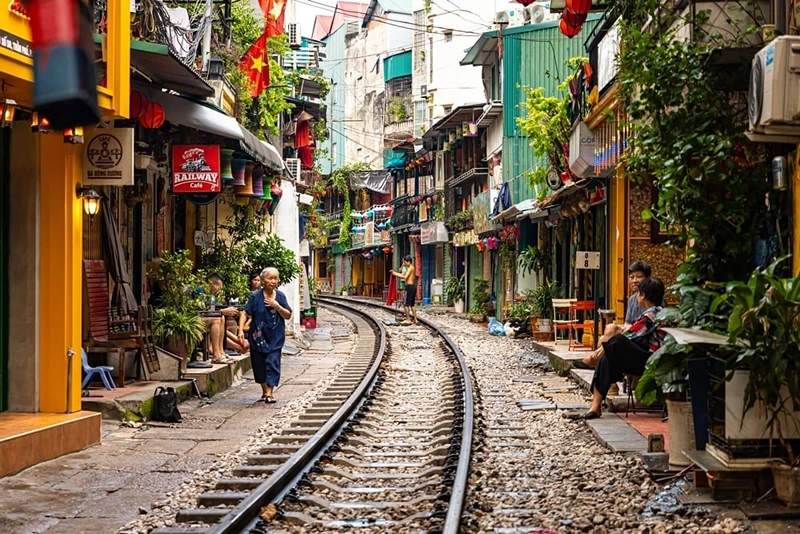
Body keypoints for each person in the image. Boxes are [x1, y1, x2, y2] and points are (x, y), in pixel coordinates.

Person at [582, 277, 666, 419]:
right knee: (608, 358)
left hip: (653, 361)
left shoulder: (655, 314)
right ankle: (595, 407)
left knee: (618, 340)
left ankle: (595, 357)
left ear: (643, 295)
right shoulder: (652, 312)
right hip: (645, 358)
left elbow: (630, 335)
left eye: (638, 293)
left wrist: (602, 348)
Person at [576, 261, 654, 375]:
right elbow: (627, 323)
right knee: (609, 331)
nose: (634, 280)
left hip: (643, 339)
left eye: (639, 277)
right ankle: (598, 360)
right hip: (633, 333)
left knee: (609, 338)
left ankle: (595, 359)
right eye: (631, 277)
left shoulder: (653, 299)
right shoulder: (633, 299)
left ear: (648, 278)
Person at [238, 267, 292, 404]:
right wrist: (240, 331)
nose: (273, 281)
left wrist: (277, 306)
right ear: (263, 280)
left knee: (273, 363)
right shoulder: (255, 296)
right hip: (258, 338)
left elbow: (288, 315)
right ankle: (264, 391)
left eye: (275, 278)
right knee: (259, 365)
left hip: (275, 337)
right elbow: (245, 313)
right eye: (270, 278)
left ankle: (269, 393)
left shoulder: (280, 296)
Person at [202, 273, 240, 364]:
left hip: (206, 317)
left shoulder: (212, 296)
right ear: (211, 284)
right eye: (218, 287)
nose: (219, 290)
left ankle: (220, 352)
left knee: (221, 317)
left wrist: (221, 312)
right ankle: (216, 356)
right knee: (217, 319)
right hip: (196, 318)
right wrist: (222, 311)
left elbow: (211, 311)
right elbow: (203, 312)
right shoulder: (201, 292)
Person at [390, 255, 417, 325]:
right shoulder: (409, 268)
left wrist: (395, 274)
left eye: (405, 262)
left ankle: (408, 319)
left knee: (406, 304)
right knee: (412, 304)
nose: (404, 264)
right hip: (412, 287)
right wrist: (394, 273)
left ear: (409, 262)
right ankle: (415, 319)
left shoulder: (411, 268)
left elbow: (404, 277)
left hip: (410, 287)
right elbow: (402, 274)